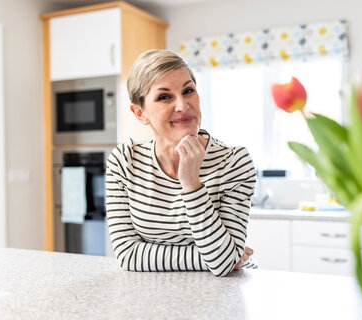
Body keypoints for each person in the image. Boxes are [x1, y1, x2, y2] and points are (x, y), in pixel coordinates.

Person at [105, 49, 256, 276]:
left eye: (188, 91)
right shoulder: (125, 161)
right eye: (164, 97)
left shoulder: (233, 162)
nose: (183, 105)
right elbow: (127, 254)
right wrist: (215, 257)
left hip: (226, 294)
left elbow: (224, 266)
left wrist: (191, 184)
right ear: (139, 113)